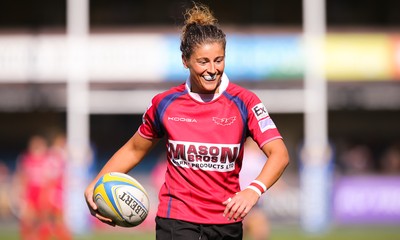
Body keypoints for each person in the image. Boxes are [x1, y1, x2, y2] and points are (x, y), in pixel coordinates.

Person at [84, 3, 289, 240]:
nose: (212, 69)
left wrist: (253, 191)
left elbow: (280, 154)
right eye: (203, 62)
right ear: (185, 61)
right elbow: (134, 149)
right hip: (176, 220)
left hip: (226, 220)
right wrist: (96, 184)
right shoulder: (164, 104)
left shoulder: (245, 102)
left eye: (219, 60)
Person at [239, 138, 270, 240]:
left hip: (255, 199)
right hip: (241, 198)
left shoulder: (261, 157)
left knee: (260, 232)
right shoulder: (242, 155)